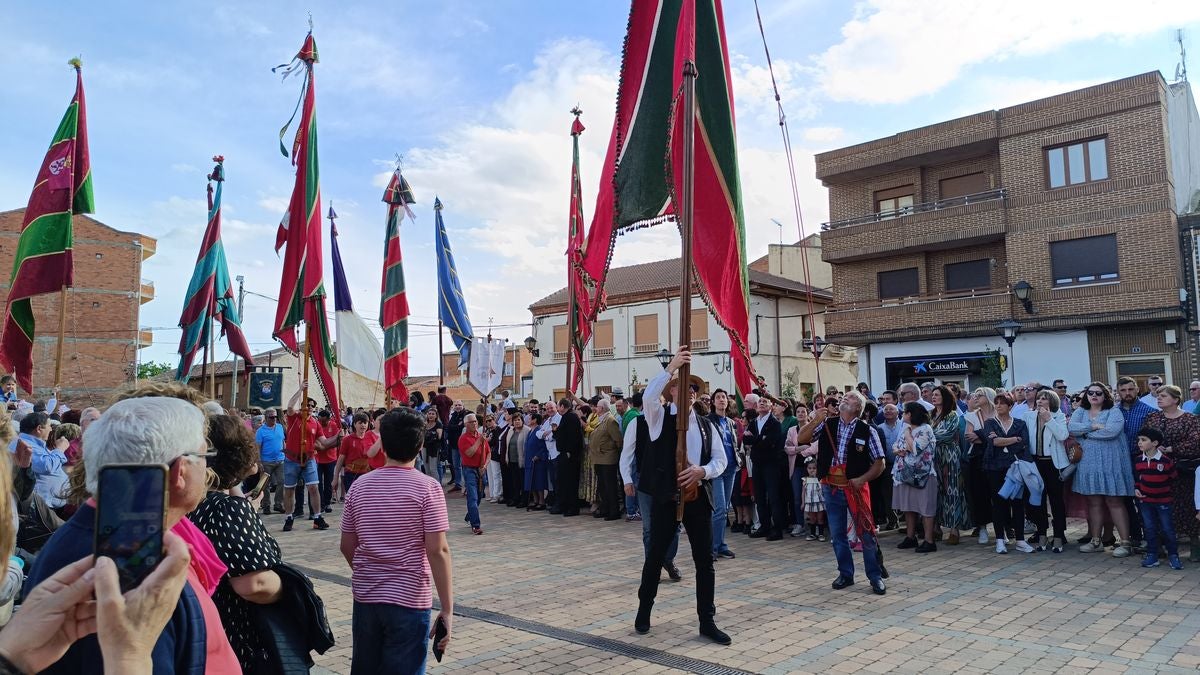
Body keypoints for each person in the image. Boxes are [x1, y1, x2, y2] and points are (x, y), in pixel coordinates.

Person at [23, 396, 237, 673]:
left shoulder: (113, 539)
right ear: (180, 471)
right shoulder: (132, 567)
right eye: (204, 458)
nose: (207, 470)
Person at [628, 346, 730, 645]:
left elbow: (721, 460)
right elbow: (648, 398)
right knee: (656, 555)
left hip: (697, 496)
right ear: (671, 392)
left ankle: (707, 621)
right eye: (680, 387)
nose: (687, 392)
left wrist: (703, 471)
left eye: (692, 388)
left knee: (704, 561)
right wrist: (671, 367)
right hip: (665, 498)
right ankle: (644, 609)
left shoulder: (707, 425)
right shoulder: (658, 419)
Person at [341, 407, 453, 675]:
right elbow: (438, 551)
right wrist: (447, 609)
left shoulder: (359, 486)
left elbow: (347, 545)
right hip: (410, 598)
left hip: (367, 597)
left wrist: (372, 574)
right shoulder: (428, 488)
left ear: (383, 443)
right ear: (420, 444)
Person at [189, 415, 288, 672]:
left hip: (199, 629)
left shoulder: (190, 500)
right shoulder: (227, 510)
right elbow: (253, 584)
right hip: (234, 633)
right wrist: (289, 589)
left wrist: (240, 501)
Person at [793, 391, 888, 595]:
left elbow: (880, 463)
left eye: (852, 397)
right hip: (831, 488)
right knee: (837, 535)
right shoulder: (828, 423)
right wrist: (816, 419)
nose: (846, 397)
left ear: (858, 408)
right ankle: (846, 574)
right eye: (846, 395)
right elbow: (802, 438)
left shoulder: (867, 431)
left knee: (866, 533)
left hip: (855, 488)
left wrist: (862, 479)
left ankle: (875, 576)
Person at [1069, 382, 1134, 557]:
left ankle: (1126, 542)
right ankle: (1096, 541)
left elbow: (1111, 432)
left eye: (1098, 393)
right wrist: (1092, 426)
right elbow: (1071, 428)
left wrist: (1085, 434)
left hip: (1111, 465)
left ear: (1105, 395)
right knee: (1093, 502)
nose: (1094, 396)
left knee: (1115, 502)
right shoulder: (1080, 412)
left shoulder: (1113, 411)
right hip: (1088, 466)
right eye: (1091, 393)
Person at [1142, 384, 1200, 560]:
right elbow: (1144, 437)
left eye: (1164, 396)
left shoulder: (1190, 419)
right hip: (1157, 470)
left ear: (1175, 399)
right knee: (1159, 507)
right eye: (1158, 395)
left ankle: (1195, 545)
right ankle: (1159, 545)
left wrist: (1171, 448)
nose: (1159, 398)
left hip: (1182, 470)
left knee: (1187, 507)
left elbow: (1195, 442)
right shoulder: (1153, 418)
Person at [982, 393, 1033, 554]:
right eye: (996, 403)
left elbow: (1024, 442)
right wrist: (1014, 439)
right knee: (998, 503)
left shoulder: (1020, 423)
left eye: (1002, 403)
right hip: (995, 467)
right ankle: (999, 539)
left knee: (1017, 503)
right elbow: (994, 442)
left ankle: (1020, 540)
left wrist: (1007, 440)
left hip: (1015, 467)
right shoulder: (990, 422)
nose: (998, 406)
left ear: (1010, 406)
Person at [1022, 389, 1069, 553]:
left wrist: (1048, 419)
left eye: (1044, 398)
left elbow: (1062, 435)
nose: (1040, 401)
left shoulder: (1058, 416)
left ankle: (1058, 535)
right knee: (1038, 500)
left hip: (1053, 464)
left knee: (1056, 501)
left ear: (1052, 402)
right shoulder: (1029, 416)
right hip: (1036, 463)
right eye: (1039, 398)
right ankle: (1041, 533)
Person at [1133, 427, 1183, 569]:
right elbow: (1137, 478)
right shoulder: (1138, 460)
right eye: (1139, 440)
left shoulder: (1166, 461)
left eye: (1143, 440)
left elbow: (1173, 478)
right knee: (1149, 528)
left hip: (1163, 502)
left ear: (1155, 443)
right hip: (1146, 502)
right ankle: (1152, 555)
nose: (1140, 443)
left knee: (1168, 529)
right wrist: (1137, 489)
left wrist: (1166, 493)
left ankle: (1173, 555)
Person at [281, 386, 330, 533]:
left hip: (309, 460)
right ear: (301, 407)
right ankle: (289, 517)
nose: (309, 408)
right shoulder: (293, 417)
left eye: (311, 406)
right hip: (291, 459)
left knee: (314, 488)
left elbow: (324, 442)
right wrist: (301, 389)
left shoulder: (315, 423)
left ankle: (317, 517)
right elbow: (289, 406)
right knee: (289, 490)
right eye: (306, 405)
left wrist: (339, 437)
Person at [893, 401, 938, 552]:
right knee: (908, 507)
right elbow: (896, 446)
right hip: (905, 474)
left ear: (911, 414)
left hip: (923, 475)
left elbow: (916, 448)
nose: (902, 414)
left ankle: (929, 540)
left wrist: (907, 437)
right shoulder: (906, 428)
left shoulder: (925, 429)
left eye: (905, 412)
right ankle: (910, 537)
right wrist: (900, 448)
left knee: (926, 508)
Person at [744, 393, 786, 541]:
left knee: (773, 497)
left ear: (771, 406)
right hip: (757, 464)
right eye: (760, 401)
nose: (761, 403)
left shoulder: (774, 423)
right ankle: (764, 525)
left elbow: (771, 442)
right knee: (760, 497)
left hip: (771, 464)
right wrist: (759, 439)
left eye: (765, 401)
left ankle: (777, 529)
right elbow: (745, 439)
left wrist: (756, 440)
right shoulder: (754, 422)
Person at [930, 385, 968, 544]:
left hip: (950, 456)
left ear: (945, 397)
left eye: (937, 395)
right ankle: (936, 527)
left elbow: (947, 434)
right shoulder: (930, 415)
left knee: (953, 490)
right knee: (935, 492)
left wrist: (927, 438)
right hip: (933, 456)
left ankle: (954, 529)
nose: (933, 397)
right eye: (932, 395)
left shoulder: (953, 415)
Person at [708, 389, 739, 559]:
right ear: (713, 402)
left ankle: (720, 545)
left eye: (724, 397)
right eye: (718, 397)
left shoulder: (730, 422)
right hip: (716, 469)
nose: (722, 400)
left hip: (731, 467)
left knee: (725, 509)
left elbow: (734, 443)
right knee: (718, 509)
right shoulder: (707, 421)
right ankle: (712, 547)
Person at [964, 387, 996, 545]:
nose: (975, 398)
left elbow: (1001, 436)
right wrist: (987, 436)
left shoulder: (998, 413)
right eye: (974, 395)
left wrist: (980, 435)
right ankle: (982, 527)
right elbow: (969, 437)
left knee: (997, 493)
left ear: (988, 397)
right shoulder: (971, 415)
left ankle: (1002, 527)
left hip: (997, 457)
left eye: (979, 395)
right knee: (979, 494)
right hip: (977, 458)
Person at [589, 399, 623, 521]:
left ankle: (614, 511)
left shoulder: (610, 420)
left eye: (597, 407)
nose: (595, 409)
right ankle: (605, 509)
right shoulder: (601, 420)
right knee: (603, 486)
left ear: (602, 408)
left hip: (607, 458)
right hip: (599, 459)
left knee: (610, 486)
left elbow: (618, 439)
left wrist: (610, 450)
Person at [334, 412, 382, 496]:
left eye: (365, 423)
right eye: (360, 423)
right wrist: (335, 477)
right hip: (351, 475)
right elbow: (341, 459)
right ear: (354, 424)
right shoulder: (347, 439)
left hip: (367, 475)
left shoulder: (373, 437)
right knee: (353, 499)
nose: (363, 425)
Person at [552, 398, 584, 517]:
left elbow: (573, 436)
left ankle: (573, 507)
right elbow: (562, 434)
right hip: (564, 453)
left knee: (570, 482)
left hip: (570, 455)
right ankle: (565, 505)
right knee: (563, 482)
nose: (558, 408)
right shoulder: (566, 417)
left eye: (558, 406)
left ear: (562, 406)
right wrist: (555, 431)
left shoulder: (571, 417)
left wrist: (569, 451)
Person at [874, 403, 903, 531]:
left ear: (898, 412)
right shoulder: (879, 428)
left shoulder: (904, 426)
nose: (888, 411)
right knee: (887, 494)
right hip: (887, 465)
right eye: (886, 409)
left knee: (904, 493)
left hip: (903, 464)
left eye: (892, 409)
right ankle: (893, 519)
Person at [457, 414, 487, 535]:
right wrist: (479, 442)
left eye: (475, 421)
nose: (474, 424)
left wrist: (484, 466)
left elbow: (488, 453)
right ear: (466, 424)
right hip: (469, 470)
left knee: (480, 495)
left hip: (481, 470)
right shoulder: (463, 438)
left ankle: (470, 515)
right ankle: (476, 525)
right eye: (471, 422)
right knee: (473, 497)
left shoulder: (481, 436)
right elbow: (469, 453)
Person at [255, 409, 286, 515]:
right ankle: (266, 505)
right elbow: (258, 447)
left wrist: (285, 454)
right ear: (266, 418)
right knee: (265, 485)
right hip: (266, 461)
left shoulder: (280, 427)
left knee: (282, 482)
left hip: (280, 459)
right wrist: (259, 462)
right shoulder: (261, 431)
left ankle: (278, 504)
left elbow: (282, 441)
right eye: (271, 417)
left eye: (275, 417)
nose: (274, 419)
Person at [498, 409, 529, 508]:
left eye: (519, 420)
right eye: (515, 420)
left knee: (523, 481)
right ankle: (516, 498)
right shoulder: (511, 430)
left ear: (522, 421)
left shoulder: (527, 431)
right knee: (514, 482)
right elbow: (507, 445)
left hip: (522, 461)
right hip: (511, 460)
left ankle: (524, 500)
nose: (516, 422)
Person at [316, 409, 342, 513]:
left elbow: (338, 441)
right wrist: (324, 445)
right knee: (318, 483)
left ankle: (327, 503)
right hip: (318, 459)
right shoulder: (317, 425)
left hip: (331, 459)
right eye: (320, 420)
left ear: (329, 419)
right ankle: (321, 504)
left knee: (329, 483)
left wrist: (325, 447)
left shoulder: (334, 426)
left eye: (324, 421)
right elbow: (316, 442)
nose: (321, 423)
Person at [524, 412, 550, 510]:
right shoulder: (531, 431)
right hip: (529, 460)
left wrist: (538, 455)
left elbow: (543, 446)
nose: (528, 420)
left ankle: (541, 501)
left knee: (538, 481)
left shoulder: (539, 430)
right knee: (531, 481)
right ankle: (535, 500)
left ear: (535, 420)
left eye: (530, 418)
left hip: (537, 460)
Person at [801, 459, 826, 540]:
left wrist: (816, 476)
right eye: (810, 468)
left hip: (819, 502)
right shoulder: (805, 480)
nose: (812, 470)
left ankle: (821, 534)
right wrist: (803, 503)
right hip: (810, 502)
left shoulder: (820, 479)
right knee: (812, 519)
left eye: (814, 468)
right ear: (807, 469)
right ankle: (812, 534)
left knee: (820, 518)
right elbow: (803, 492)